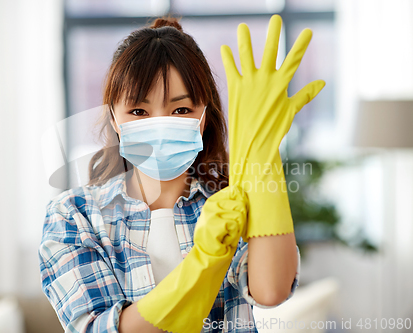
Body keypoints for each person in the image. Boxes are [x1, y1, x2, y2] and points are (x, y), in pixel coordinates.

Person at [39, 14, 324, 333]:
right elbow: (98, 329)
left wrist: (263, 150)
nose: (159, 123)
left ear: (204, 116)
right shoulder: (74, 215)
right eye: (138, 111)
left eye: (180, 110)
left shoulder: (232, 202)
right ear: (113, 118)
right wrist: (203, 263)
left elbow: (272, 291)